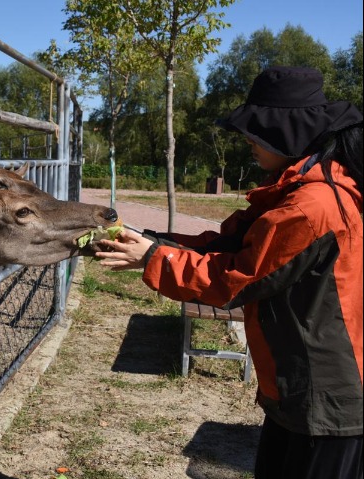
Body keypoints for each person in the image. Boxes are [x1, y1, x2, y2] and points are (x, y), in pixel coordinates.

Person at [96, 66, 363, 479]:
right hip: (298, 385)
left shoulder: (310, 207)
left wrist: (154, 258)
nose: (247, 140)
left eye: (256, 131)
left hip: (325, 393)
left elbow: (235, 278)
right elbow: (227, 245)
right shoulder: (299, 189)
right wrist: (145, 239)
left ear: (287, 135)